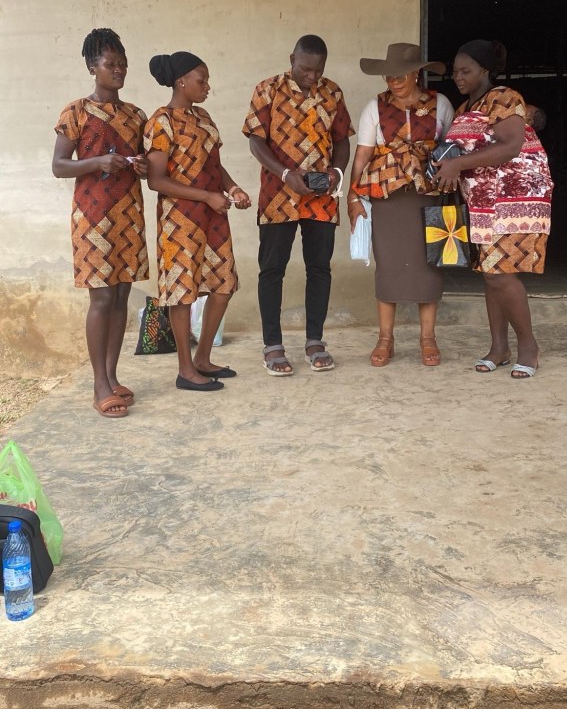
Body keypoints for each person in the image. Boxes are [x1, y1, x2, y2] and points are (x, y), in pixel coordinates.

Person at [434, 40, 553, 379]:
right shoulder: (466, 106)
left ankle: (528, 346)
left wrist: (458, 165)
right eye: (455, 71)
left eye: (466, 71)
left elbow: (511, 145)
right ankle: (499, 347)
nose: (458, 77)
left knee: (500, 273)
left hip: (515, 195)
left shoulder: (504, 97)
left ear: (485, 70)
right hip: (484, 199)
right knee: (489, 272)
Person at [52, 28, 149, 418]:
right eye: (111, 64)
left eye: (123, 64)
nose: (119, 70)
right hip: (92, 218)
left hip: (129, 214)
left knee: (122, 296)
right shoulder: (75, 112)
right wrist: (97, 162)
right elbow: (59, 166)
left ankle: (111, 376)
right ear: (93, 67)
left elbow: (143, 162)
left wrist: (141, 166)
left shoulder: (136, 115)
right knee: (102, 298)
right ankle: (98, 387)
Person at [243, 34, 354, 375]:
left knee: (319, 268)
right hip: (278, 196)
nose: (312, 76)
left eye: (318, 70)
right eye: (305, 69)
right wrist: (285, 173)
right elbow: (256, 142)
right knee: (272, 269)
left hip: (321, 198)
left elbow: (342, 141)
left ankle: (315, 341)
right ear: (292, 59)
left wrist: (337, 172)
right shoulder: (267, 90)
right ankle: (273, 345)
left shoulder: (332, 92)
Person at [145, 52, 251, 392]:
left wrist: (232, 188)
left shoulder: (203, 117)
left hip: (212, 215)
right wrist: (206, 196)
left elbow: (214, 166)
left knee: (223, 284)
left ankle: (203, 358)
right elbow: (156, 180)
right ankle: (185, 369)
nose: (207, 86)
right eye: (201, 80)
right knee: (182, 291)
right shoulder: (161, 121)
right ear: (181, 82)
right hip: (179, 220)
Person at [347, 43, 454, 367]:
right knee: (388, 266)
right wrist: (353, 196)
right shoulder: (375, 107)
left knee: (429, 266)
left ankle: (428, 339)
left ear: (415, 73)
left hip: (429, 195)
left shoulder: (440, 104)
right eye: (388, 75)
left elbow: (452, 150)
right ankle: (385, 339)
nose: (392, 80)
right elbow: (363, 154)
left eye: (399, 74)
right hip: (387, 197)